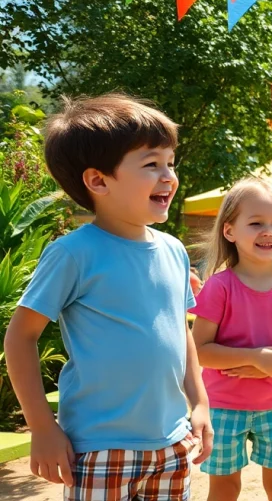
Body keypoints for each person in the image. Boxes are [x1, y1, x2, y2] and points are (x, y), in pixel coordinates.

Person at [4, 94, 213, 497]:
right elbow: (21, 336)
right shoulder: (73, 253)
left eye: (171, 162)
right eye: (152, 164)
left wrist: (200, 402)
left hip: (173, 444)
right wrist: (43, 427)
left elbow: (180, 333)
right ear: (98, 180)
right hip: (98, 449)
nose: (168, 176)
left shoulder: (174, 250)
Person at [190, 177, 272, 501]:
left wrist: (271, 364)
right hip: (223, 407)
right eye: (256, 222)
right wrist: (254, 357)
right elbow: (200, 350)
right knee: (225, 489)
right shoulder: (218, 287)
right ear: (229, 231)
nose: (268, 231)